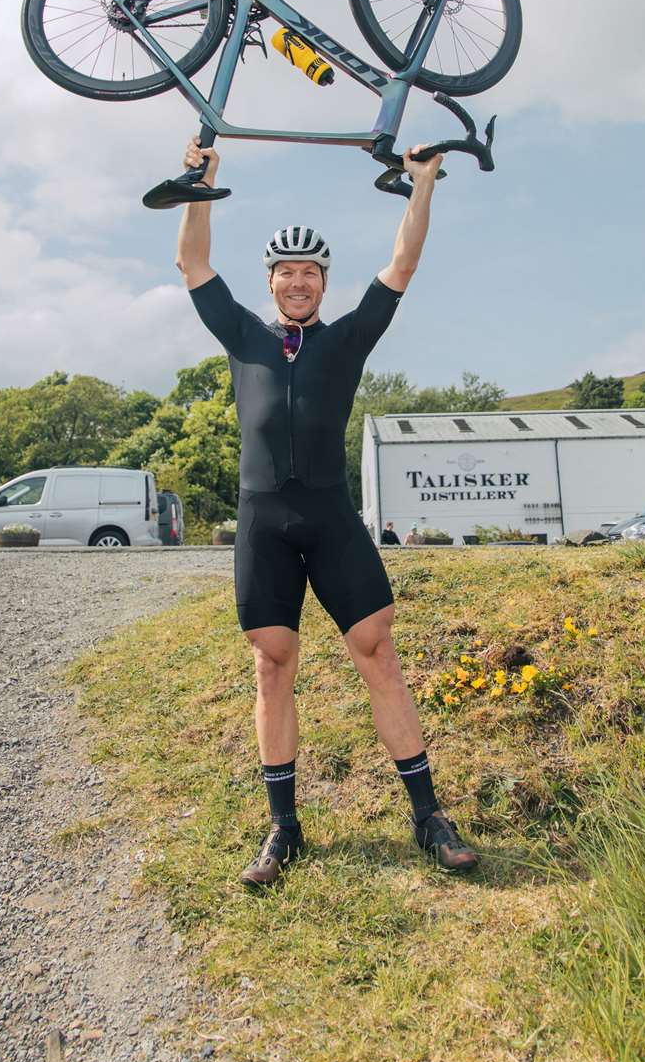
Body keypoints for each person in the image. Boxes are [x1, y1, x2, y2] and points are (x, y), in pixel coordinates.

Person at [176, 135, 479, 888]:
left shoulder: (345, 342)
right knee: (272, 667)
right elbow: (193, 264)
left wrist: (423, 186)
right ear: (272, 281)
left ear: (323, 282)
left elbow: (401, 266)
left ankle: (428, 815)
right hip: (263, 523)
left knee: (378, 650)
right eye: (287, 272)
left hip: (331, 517)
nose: (299, 282)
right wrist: (201, 182)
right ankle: (283, 829)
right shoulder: (243, 334)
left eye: (310, 272)